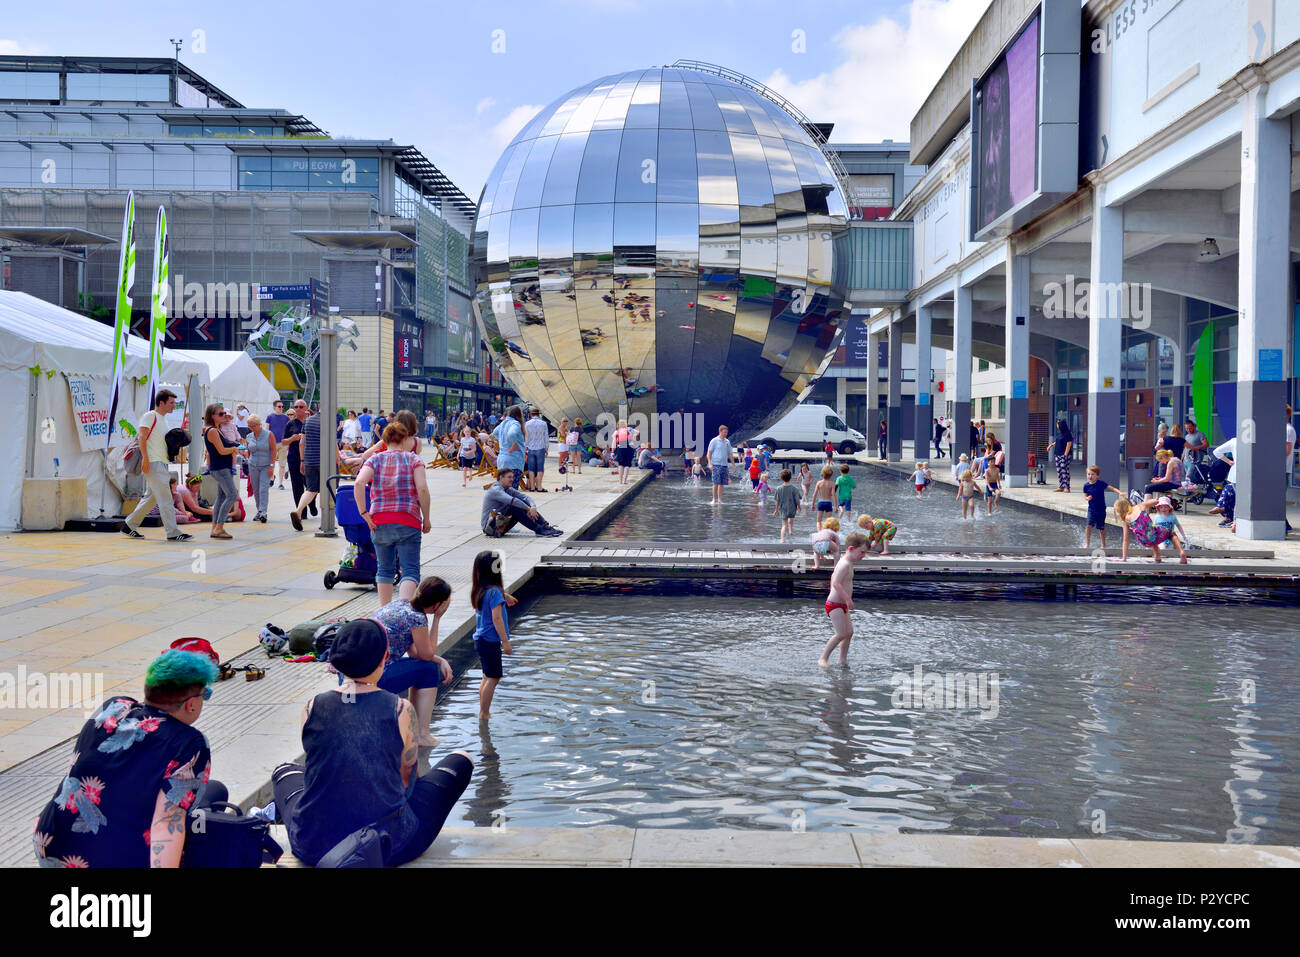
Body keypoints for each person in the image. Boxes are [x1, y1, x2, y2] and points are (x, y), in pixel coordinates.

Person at [271, 620, 473, 867]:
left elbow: (322, 767)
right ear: (384, 658)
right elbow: (407, 782)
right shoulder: (400, 709)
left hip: (314, 845)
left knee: (284, 771)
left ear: (335, 661)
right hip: (388, 846)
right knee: (462, 759)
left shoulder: (312, 706)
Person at [33, 649, 223, 868]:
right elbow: (167, 824)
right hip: (112, 859)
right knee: (212, 798)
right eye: (204, 694)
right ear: (191, 704)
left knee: (214, 790)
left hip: (51, 843)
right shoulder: (190, 743)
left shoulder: (113, 707)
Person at [372, 576, 454, 747]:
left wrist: (441, 660)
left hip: (357, 673)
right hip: (375, 678)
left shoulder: (401, 605)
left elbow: (415, 653)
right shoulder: (417, 618)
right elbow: (426, 655)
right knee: (429, 670)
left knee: (426, 666)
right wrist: (437, 619)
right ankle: (422, 734)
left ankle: (412, 729)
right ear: (438, 604)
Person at [355, 423, 430, 606]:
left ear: (385, 441)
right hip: (408, 520)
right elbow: (422, 489)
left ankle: (385, 614)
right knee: (410, 570)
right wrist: (426, 518)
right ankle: (402, 611)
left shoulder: (375, 459)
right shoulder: (414, 460)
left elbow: (359, 483)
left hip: (379, 520)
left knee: (384, 570)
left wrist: (364, 513)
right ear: (405, 439)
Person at [122, 389, 192, 542]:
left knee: (151, 498)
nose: (174, 405)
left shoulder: (163, 419)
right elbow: (142, 436)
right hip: (153, 462)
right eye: (171, 402)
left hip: (161, 462)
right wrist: (145, 459)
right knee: (166, 498)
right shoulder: (150, 416)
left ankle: (129, 524)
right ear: (162, 403)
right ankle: (173, 532)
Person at [471, 550, 519, 720]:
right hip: (491, 641)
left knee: (486, 676)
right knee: (494, 677)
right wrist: (506, 642)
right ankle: (484, 713)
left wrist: (504, 596)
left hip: (481, 639)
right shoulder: (494, 593)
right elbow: (497, 618)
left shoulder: (480, 590)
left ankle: (483, 710)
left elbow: (491, 598)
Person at [818, 532, 869, 668]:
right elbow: (836, 583)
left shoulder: (849, 562)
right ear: (851, 549)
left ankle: (842, 659)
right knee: (841, 634)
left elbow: (833, 578)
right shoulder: (844, 564)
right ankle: (823, 658)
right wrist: (847, 599)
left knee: (849, 632)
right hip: (835, 604)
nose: (863, 556)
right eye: (862, 552)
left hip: (841, 604)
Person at [481, 468, 563, 538]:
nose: (512, 480)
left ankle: (545, 526)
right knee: (514, 506)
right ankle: (539, 530)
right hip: (490, 528)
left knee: (522, 502)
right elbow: (513, 501)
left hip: (500, 523)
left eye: (512, 477)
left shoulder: (508, 489)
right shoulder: (496, 490)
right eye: (509, 477)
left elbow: (526, 497)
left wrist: (533, 507)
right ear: (501, 478)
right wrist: (528, 509)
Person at [203, 404, 242, 540]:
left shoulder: (217, 430)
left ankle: (215, 527)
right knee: (232, 495)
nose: (224, 416)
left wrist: (232, 446)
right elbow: (221, 450)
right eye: (220, 414)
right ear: (212, 416)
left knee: (221, 497)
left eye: (224, 414)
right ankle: (219, 527)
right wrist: (234, 449)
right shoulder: (213, 431)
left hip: (220, 467)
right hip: (220, 468)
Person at [1117, 497, 1187, 563]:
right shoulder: (1140, 506)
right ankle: (1181, 551)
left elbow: (1125, 540)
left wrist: (1124, 558)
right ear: (1130, 503)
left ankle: (1157, 556)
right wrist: (1159, 499)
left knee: (1153, 530)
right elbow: (1156, 501)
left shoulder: (1126, 520)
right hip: (1153, 535)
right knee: (1170, 532)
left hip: (1144, 541)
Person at [290, 406, 323, 531]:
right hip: (324, 461)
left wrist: (302, 461)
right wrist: (337, 458)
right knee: (327, 490)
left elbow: (301, 443)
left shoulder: (307, 421)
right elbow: (332, 442)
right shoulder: (329, 420)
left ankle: (298, 511)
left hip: (309, 460)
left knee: (310, 489)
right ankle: (325, 521)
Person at [282, 400, 313, 519]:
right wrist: (292, 439)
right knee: (297, 485)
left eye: (301, 406)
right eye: (296, 407)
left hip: (310, 457)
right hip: (294, 457)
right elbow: (283, 441)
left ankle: (312, 503)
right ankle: (301, 512)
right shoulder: (291, 424)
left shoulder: (311, 421)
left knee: (311, 484)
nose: (298, 409)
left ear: (306, 408)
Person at [245, 413, 276, 523]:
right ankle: (259, 510)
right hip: (253, 465)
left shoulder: (268, 434)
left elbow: (273, 450)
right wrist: (248, 461)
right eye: (249, 426)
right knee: (256, 489)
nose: (251, 428)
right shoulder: (249, 436)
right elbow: (248, 451)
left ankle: (263, 511)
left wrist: (272, 466)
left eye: (253, 425)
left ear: (259, 424)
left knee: (263, 488)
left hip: (266, 465)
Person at [1082, 465, 1121, 549]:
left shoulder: (1101, 484)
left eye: (1092, 474)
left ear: (1097, 475)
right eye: (1088, 474)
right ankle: (1087, 544)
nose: (1090, 476)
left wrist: (1119, 492)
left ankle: (1103, 544)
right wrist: (1087, 498)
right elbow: (1085, 496)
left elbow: (1112, 488)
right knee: (1088, 526)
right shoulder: (1086, 486)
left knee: (1101, 528)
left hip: (1101, 510)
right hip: (1091, 509)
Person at [493, 406, 527, 489]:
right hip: (513, 461)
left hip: (502, 460)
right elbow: (512, 434)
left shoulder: (503, 423)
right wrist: (514, 444)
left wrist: (502, 442)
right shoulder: (515, 423)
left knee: (503, 492)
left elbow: (495, 433)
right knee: (512, 491)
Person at [523, 407, 550, 492]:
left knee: (531, 468)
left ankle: (532, 487)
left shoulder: (527, 424)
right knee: (540, 468)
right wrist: (546, 448)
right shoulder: (543, 424)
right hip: (540, 447)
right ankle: (539, 487)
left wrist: (525, 447)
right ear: (538, 414)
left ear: (531, 414)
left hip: (530, 448)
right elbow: (546, 436)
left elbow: (526, 437)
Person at [705, 424, 734, 505]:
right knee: (716, 483)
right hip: (715, 464)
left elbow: (730, 454)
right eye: (724, 432)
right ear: (720, 432)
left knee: (722, 483)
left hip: (724, 465)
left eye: (726, 433)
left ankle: (720, 499)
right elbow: (708, 453)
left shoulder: (727, 442)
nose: (725, 434)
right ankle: (714, 499)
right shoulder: (714, 441)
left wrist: (733, 465)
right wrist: (710, 464)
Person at [266, 400, 290, 489]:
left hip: (283, 443)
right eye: (279, 406)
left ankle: (280, 483)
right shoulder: (270, 417)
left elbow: (289, 430)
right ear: (274, 407)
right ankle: (272, 478)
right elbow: (267, 430)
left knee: (282, 464)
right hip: (272, 443)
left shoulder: (286, 418)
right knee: (271, 463)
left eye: (282, 407)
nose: (281, 408)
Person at [773, 468, 801, 542]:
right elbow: (797, 500)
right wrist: (799, 507)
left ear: (781, 478)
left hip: (783, 508)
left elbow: (777, 500)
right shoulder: (795, 488)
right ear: (791, 477)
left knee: (784, 525)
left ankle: (782, 539)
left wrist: (776, 510)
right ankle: (791, 531)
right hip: (792, 508)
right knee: (791, 519)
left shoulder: (779, 488)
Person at [1050, 419, 1073, 492]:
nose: (1057, 425)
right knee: (1059, 471)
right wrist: (1050, 446)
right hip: (1057, 454)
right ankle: (1061, 487)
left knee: (1064, 470)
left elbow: (1069, 443)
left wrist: (1065, 455)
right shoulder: (1060, 433)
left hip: (1064, 455)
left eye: (1058, 424)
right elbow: (1057, 441)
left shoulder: (1067, 433)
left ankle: (1067, 487)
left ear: (1061, 425)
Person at [611, 417, 636, 486]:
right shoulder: (629, 430)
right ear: (625, 424)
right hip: (630, 447)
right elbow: (636, 434)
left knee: (621, 464)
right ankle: (625, 480)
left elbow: (613, 442)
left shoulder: (616, 432)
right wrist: (635, 435)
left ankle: (620, 481)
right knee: (627, 464)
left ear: (618, 425)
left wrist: (612, 451)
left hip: (621, 447)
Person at [811, 464, 836, 529]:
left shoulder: (819, 483)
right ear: (831, 474)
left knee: (819, 521)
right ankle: (828, 534)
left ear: (822, 473)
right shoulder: (832, 483)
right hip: (828, 502)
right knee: (829, 521)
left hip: (821, 502)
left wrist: (812, 504)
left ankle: (820, 534)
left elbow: (814, 495)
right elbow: (833, 495)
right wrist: (836, 506)